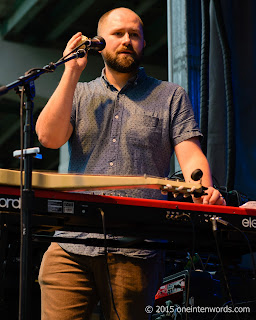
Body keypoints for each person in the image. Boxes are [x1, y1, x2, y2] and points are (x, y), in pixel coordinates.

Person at [36, 7, 226, 320]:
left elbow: (191, 155)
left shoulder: (170, 95)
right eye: (118, 34)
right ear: (99, 42)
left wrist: (204, 191)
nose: (127, 40)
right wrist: (71, 72)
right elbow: (48, 137)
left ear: (143, 44)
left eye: (134, 35)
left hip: (137, 248)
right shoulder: (80, 93)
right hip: (72, 245)